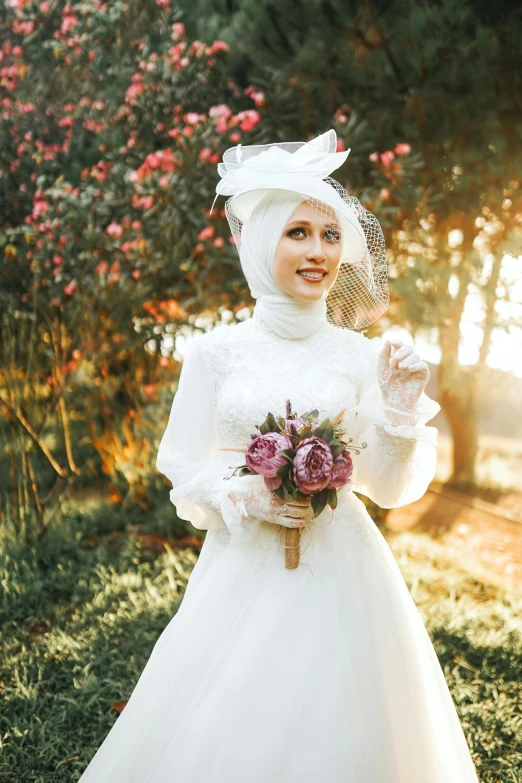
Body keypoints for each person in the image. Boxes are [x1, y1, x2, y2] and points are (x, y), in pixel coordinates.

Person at [78, 130, 480, 782]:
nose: (319, 250)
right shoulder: (214, 352)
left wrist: (401, 407)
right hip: (242, 568)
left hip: (343, 573)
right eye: (299, 232)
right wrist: (242, 492)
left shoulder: (361, 357)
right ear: (263, 241)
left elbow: (388, 485)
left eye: (330, 235)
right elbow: (180, 463)